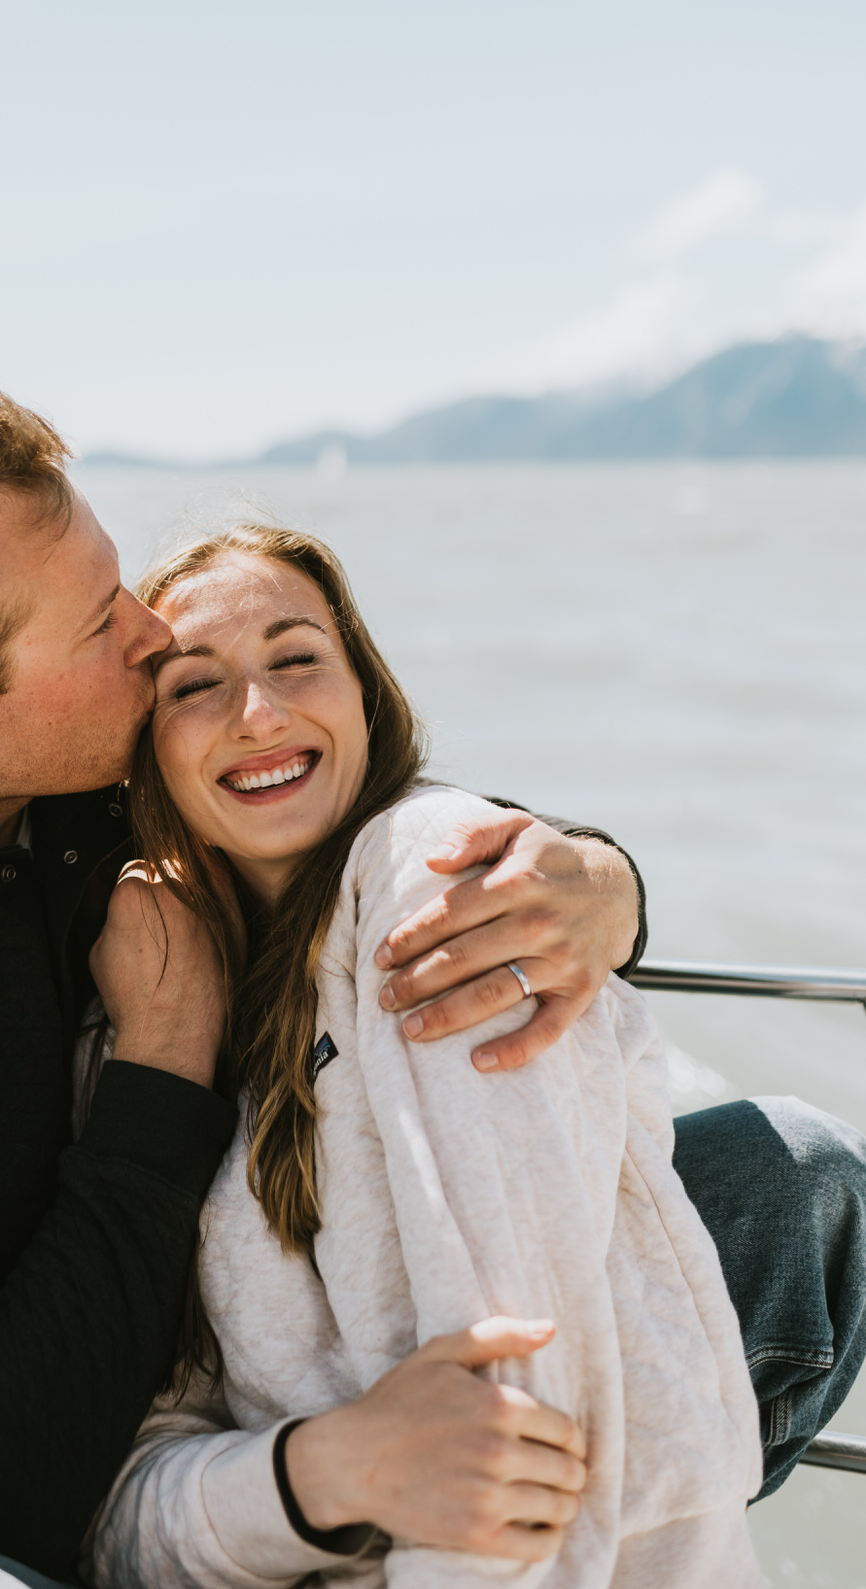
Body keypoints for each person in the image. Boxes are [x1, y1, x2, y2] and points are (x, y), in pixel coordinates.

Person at [0, 379, 863, 1589]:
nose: (153, 641)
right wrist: (162, 1063)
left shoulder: (97, 765)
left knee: (793, 1179)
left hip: (247, 1388)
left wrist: (595, 884)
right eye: (104, 623)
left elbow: (343, 806)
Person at [80, 525, 772, 1587]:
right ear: (146, 750)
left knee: (809, 1174)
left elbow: (517, 1423)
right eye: (191, 685)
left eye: (296, 657)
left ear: (366, 690)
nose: (258, 714)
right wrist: (321, 1475)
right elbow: (127, 1509)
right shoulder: (155, 1010)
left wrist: (605, 883)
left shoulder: (434, 886)